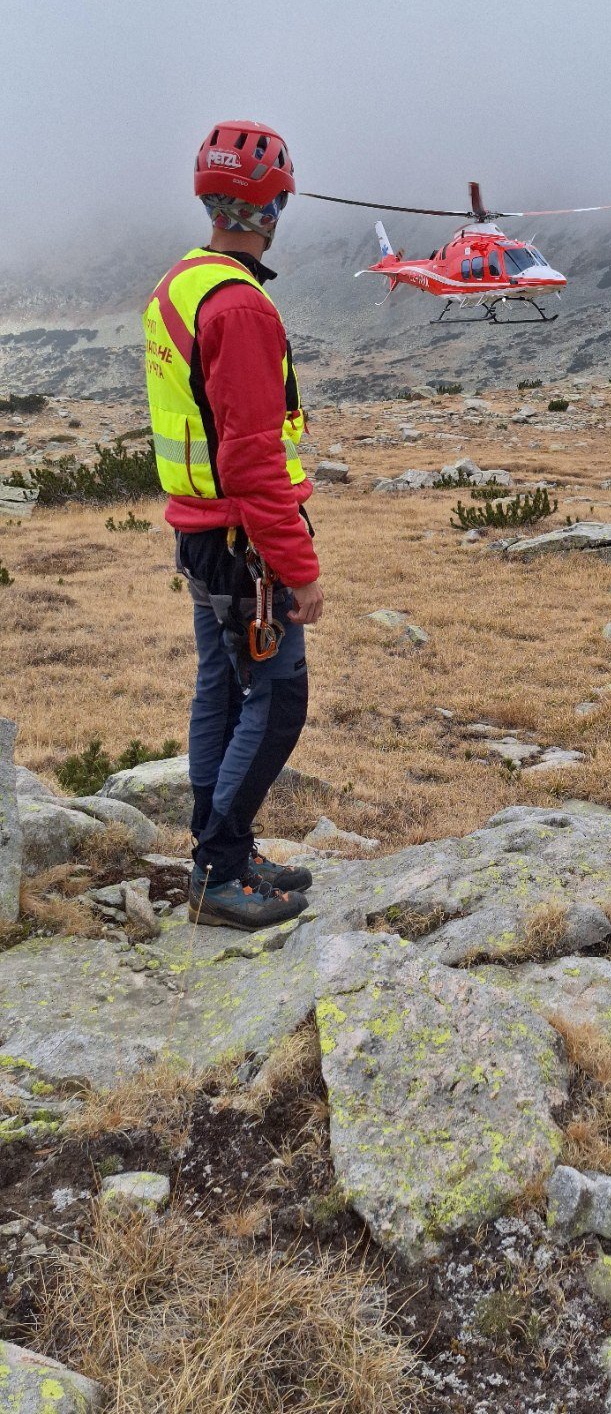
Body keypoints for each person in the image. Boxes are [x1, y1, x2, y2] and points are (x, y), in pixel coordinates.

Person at [143, 120, 324, 930]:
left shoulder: (179, 283)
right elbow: (252, 458)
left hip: (200, 532)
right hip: (244, 542)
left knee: (221, 688)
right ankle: (219, 873)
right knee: (278, 697)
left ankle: (222, 850)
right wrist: (299, 567)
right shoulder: (242, 307)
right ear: (274, 206)